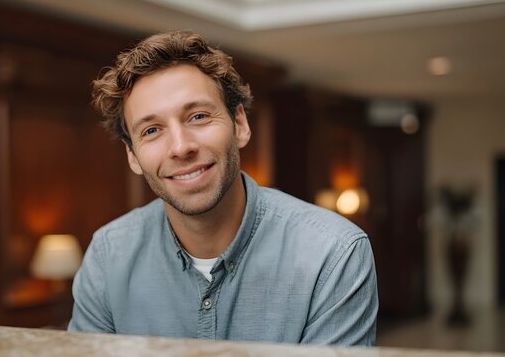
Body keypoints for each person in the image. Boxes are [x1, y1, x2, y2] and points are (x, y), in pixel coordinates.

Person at [68, 30, 378, 345]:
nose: (180, 147)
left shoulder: (333, 253)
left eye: (198, 116)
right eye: (151, 130)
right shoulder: (108, 256)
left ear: (240, 125)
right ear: (133, 156)